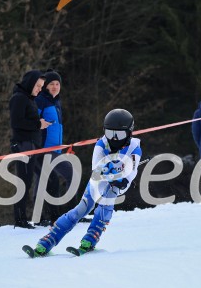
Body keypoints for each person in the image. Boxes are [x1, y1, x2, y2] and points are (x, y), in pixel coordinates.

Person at [27, 109, 142, 257]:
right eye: (109, 133)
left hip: (119, 182)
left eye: (118, 134)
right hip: (99, 179)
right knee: (82, 208)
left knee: (107, 201)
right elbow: (96, 168)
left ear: (129, 132)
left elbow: (131, 171)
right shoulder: (101, 144)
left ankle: (90, 239)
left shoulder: (134, 148)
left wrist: (122, 179)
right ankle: (50, 239)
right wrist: (108, 170)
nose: (113, 139)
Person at [9, 70, 50, 228]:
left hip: (34, 145)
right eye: (38, 86)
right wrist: (38, 124)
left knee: (44, 176)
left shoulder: (29, 99)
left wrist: (39, 124)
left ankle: (42, 215)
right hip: (23, 145)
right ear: (30, 83)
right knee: (24, 182)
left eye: (41, 86)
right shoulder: (19, 98)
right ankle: (20, 220)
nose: (40, 89)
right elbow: (17, 123)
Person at [33, 71, 73, 224]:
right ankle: (73, 213)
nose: (55, 87)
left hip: (55, 149)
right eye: (51, 84)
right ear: (45, 86)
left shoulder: (56, 102)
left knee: (42, 181)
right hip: (44, 149)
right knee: (70, 174)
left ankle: (40, 218)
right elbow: (33, 121)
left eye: (57, 84)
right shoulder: (41, 100)